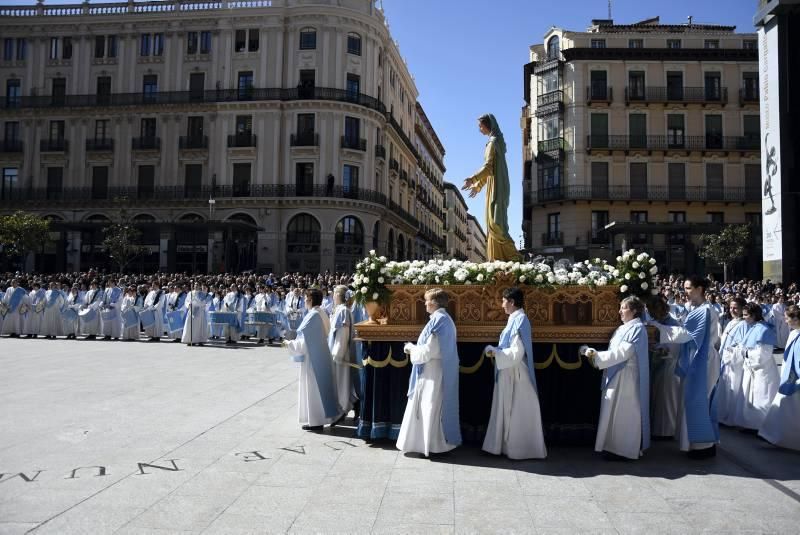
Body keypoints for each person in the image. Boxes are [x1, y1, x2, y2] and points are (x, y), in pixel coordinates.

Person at [650, 276, 721, 458]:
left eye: (689, 288)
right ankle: (698, 444)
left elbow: (687, 335)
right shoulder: (696, 309)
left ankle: (703, 446)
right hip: (696, 357)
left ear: (699, 289)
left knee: (698, 400)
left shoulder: (704, 311)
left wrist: (657, 328)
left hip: (703, 359)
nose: (685, 291)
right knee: (692, 401)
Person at [482, 287, 546, 460]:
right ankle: (502, 446)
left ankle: (520, 449)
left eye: (503, 301)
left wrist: (496, 352)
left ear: (511, 302)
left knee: (517, 410)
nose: (501, 305)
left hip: (516, 373)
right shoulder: (514, 319)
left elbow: (517, 353)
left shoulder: (520, 320)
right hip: (508, 370)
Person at [582, 295, 650, 460]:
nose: (620, 311)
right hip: (616, 373)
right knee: (613, 412)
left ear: (634, 311)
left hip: (627, 377)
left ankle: (626, 450)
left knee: (626, 413)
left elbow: (623, 353)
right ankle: (613, 447)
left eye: (624, 308)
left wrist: (596, 357)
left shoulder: (637, 328)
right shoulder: (623, 327)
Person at [397, 289, 461, 457]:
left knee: (430, 406)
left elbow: (428, 351)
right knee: (431, 406)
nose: (425, 303)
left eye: (426, 301)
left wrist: (411, 348)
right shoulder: (443, 320)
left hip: (433, 371)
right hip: (434, 369)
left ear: (434, 302)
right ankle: (431, 444)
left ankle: (435, 446)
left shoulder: (440, 321)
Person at [461, 114, 519, 262]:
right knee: (492, 223)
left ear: (488, 125)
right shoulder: (495, 142)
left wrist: (472, 179)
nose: (480, 129)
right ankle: (497, 262)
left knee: (496, 224)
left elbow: (488, 167)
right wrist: (478, 186)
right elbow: (491, 170)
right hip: (496, 185)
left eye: (480, 126)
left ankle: (516, 260)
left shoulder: (493, 143)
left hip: (497, 187)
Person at [285, 288, 342, 431]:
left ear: (310, 299)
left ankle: (316, 421)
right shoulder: (321, 312)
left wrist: (289, 344)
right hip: (321, 353)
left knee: (314, 389)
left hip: (313, 357)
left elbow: (305, 341)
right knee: (319, 389)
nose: (304, 301)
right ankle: (317, 419)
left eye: (305, 298)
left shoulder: (313, 316)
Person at [728, 302, 779, 430]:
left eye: (746, 315)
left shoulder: (764, 330)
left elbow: (763, 355)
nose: (743, 317)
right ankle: (750, 424)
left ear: (754, 315)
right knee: (750, 398)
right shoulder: (752, 327)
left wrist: (745, 352)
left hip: (762, 371)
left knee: (761, 397)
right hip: (751, 369)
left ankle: (760, 426)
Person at [759, 305, 800, 450]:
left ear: (796, 318)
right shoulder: (794, 333)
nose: (785, 320)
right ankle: (774, 435)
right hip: (789, 376)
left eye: (788, 318)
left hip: (796, 379)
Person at [648, 297, 682, 439]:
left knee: (667, 398)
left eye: (653, 311)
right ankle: (658, 429)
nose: (652, 314)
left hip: (670, 365)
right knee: (659, 397)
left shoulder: (673, 324)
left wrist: (657, 348)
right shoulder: (658, 322)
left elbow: (674, 346)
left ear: (661, 309)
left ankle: (667, 431)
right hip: (659, 365)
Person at [328, 285, 357, 418]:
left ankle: (341, 409)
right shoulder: (338, 310)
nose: (332, 296)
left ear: (339, 295)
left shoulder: (343, 311)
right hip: (335, 351)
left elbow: (343, 334)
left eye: (334, 293)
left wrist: (337, 354)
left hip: (339, 354)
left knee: (341, 383)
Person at [717, 297, 747, 426]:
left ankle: (731, 418)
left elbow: (743, 344)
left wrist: (731, 352)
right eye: (730, 308)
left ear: (742, 309)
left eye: (735, 308)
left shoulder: (744, 324)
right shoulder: (730, 322)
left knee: (733, 388)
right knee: (725, 387)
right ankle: (723, 415)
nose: (732, 310)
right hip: (725, 360)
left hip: (735, 362)